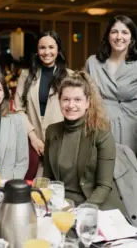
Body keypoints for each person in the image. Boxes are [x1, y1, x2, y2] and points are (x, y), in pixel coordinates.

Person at [43, 70, 126, 213]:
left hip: (93, 206)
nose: (71, 105)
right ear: (60, 101)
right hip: (60, 205)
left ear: (87, 102)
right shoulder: (52, 131)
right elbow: (47, 178)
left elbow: (104, 186)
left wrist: (82, 210)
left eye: (77, 99)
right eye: (66, 99)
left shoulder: (101, 134)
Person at [14, 30, 72, 179]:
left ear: (58, 50)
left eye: (51, 47)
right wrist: (33, 137)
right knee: (32, 184)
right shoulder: (25, 75)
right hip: (31, 139)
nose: (47, 52)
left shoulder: (70, 76)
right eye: (42, 48)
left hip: (61, 140)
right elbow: (18, 108)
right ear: (37, 51)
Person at [86, 15, 137, 154]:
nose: (119, 36)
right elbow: (85, 95)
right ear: (108, 36)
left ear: (131, 38)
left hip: (131, 128)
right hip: (100, 125)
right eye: (114, 32)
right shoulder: (93, 62)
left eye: (125, 32)